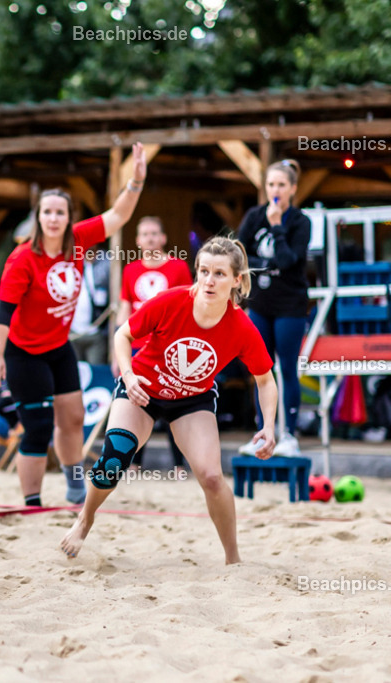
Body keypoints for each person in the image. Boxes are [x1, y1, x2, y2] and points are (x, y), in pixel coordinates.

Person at [60, 237, 278, 565]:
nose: (208, 280)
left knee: (212, 477)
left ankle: (233, 559)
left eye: (219, 274)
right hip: (143, 388)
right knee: (115, 456)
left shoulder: (241, 327)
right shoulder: (171, 301)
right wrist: (130, 376)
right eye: (203, 271)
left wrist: (270, 427)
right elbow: (123, 334)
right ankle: (85, 519)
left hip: (192, 400)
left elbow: (265, 380)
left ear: (236, 280)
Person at [0, 143, 147, 507]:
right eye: (47, 212)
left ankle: (75, 484)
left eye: (60, 212)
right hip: (23, 352)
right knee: (39, 427)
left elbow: (118, 216)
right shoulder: (23, 259)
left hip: (59, 347)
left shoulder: (79, 240)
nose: (54, 218)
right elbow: (1, 313)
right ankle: (32, 501)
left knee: (73, 419)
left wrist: (135, 181)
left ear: (68, 216)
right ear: (38, 217)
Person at [237, 159, 311, 457]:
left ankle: (289, 435)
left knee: (287, 369)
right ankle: (262, 434)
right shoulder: (254, 216)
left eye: (281, 185)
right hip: (260, 305)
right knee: (260, 370)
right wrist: (262, 264)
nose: (276, 190)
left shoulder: (300, 222)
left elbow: (287, 260)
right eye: (271, 185)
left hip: (290, 306)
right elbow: (238, 255)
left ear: (292, 188)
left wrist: (278, 226)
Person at [117, 216, 193, 470]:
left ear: (163, 238)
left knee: (173, 403)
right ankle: (135, 462)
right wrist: (118, 352)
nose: (150, 238)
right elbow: (124, 309)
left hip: (170, 347)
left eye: (154, 234)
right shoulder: (130, 270)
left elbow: (187, 306)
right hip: (138, 346)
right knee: (139, 404)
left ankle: (179, 464)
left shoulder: (178, 267)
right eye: (144, 234)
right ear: (138, 241)